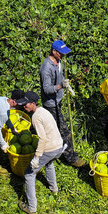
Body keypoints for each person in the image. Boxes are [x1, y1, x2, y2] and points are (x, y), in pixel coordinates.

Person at [39, 39, 86, 168]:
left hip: (57, 100)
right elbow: (46, 89)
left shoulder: (59, 61)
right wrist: (60, 86)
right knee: (63, 130)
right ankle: (71, 157)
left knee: (54, 128)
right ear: (54, 51)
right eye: (61, 53)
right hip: (51, 103)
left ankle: (53, 150)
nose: (63, 55)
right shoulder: (46, 68)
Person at [17, 91, 63, 214]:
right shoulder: (43, 111)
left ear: (33, 103)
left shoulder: (36, 117)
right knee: (49, 164)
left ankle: (32, 208)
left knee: (29, 174)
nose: (24, 106)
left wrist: (37, 157)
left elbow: (42, 138)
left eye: (26, 104)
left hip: (50, 148)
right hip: (58, 146)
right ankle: (54, 189)